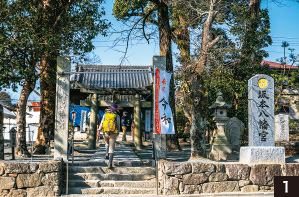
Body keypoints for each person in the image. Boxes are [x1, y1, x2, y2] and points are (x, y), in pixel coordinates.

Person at [98, 103, 120, 169]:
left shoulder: (105, 114)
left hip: (105, 132)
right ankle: (110, 163)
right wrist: (118, 133)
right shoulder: (117, 116)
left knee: (107, 143)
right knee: (112, 147)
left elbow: (102, 122)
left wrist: (99, 130)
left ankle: (106, 152)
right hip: (113, 133)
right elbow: (118, 125)